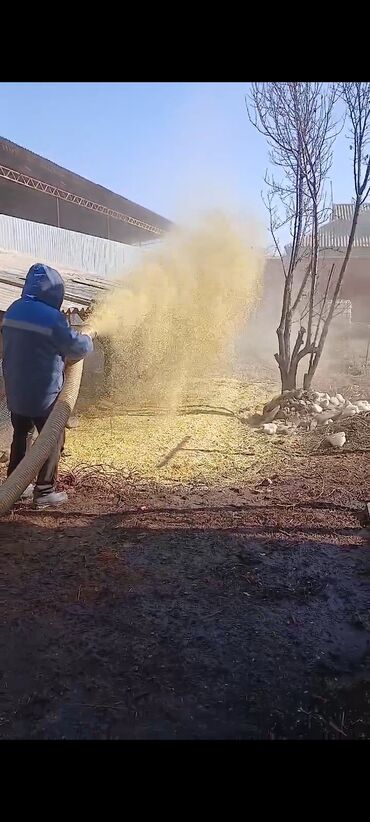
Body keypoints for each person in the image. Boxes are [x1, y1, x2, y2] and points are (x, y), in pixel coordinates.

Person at [1, 263, 94, 508]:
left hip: (16, 391)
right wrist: (88, 338)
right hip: (44, 393)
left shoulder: (13, 310)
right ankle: (44, 491)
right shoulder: (52, 318)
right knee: (52, 437)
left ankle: (15, 486)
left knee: (21, 435)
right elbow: (76, 348)